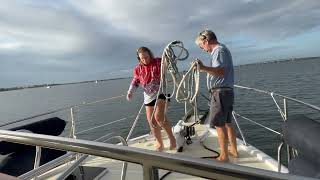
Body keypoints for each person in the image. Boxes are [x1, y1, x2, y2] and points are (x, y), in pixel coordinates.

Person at [194, 30, 238, 162]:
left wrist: (203, 68)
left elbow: (220, 71)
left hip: (220, 93)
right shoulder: (222, 49)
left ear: (206, 41)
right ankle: (233, 150)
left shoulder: (218, 51)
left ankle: (224, 156)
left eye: (201, 45)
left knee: (220, 125)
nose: (203, 49)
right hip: (226, 92)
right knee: (228, 123)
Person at [126, 46, 176, 151]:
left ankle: (172, 139)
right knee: (152, 121)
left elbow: (170, 63)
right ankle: (159, 142)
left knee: (159, 117)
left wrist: (170, 59)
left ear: (150, 55)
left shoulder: (158, 62)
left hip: (161, 92)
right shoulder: (138, 69)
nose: (145, 60)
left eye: (146, 57)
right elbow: (135, 81)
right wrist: (130, 92)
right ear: (139, 59)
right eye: (142, 58)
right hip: (148, 96)